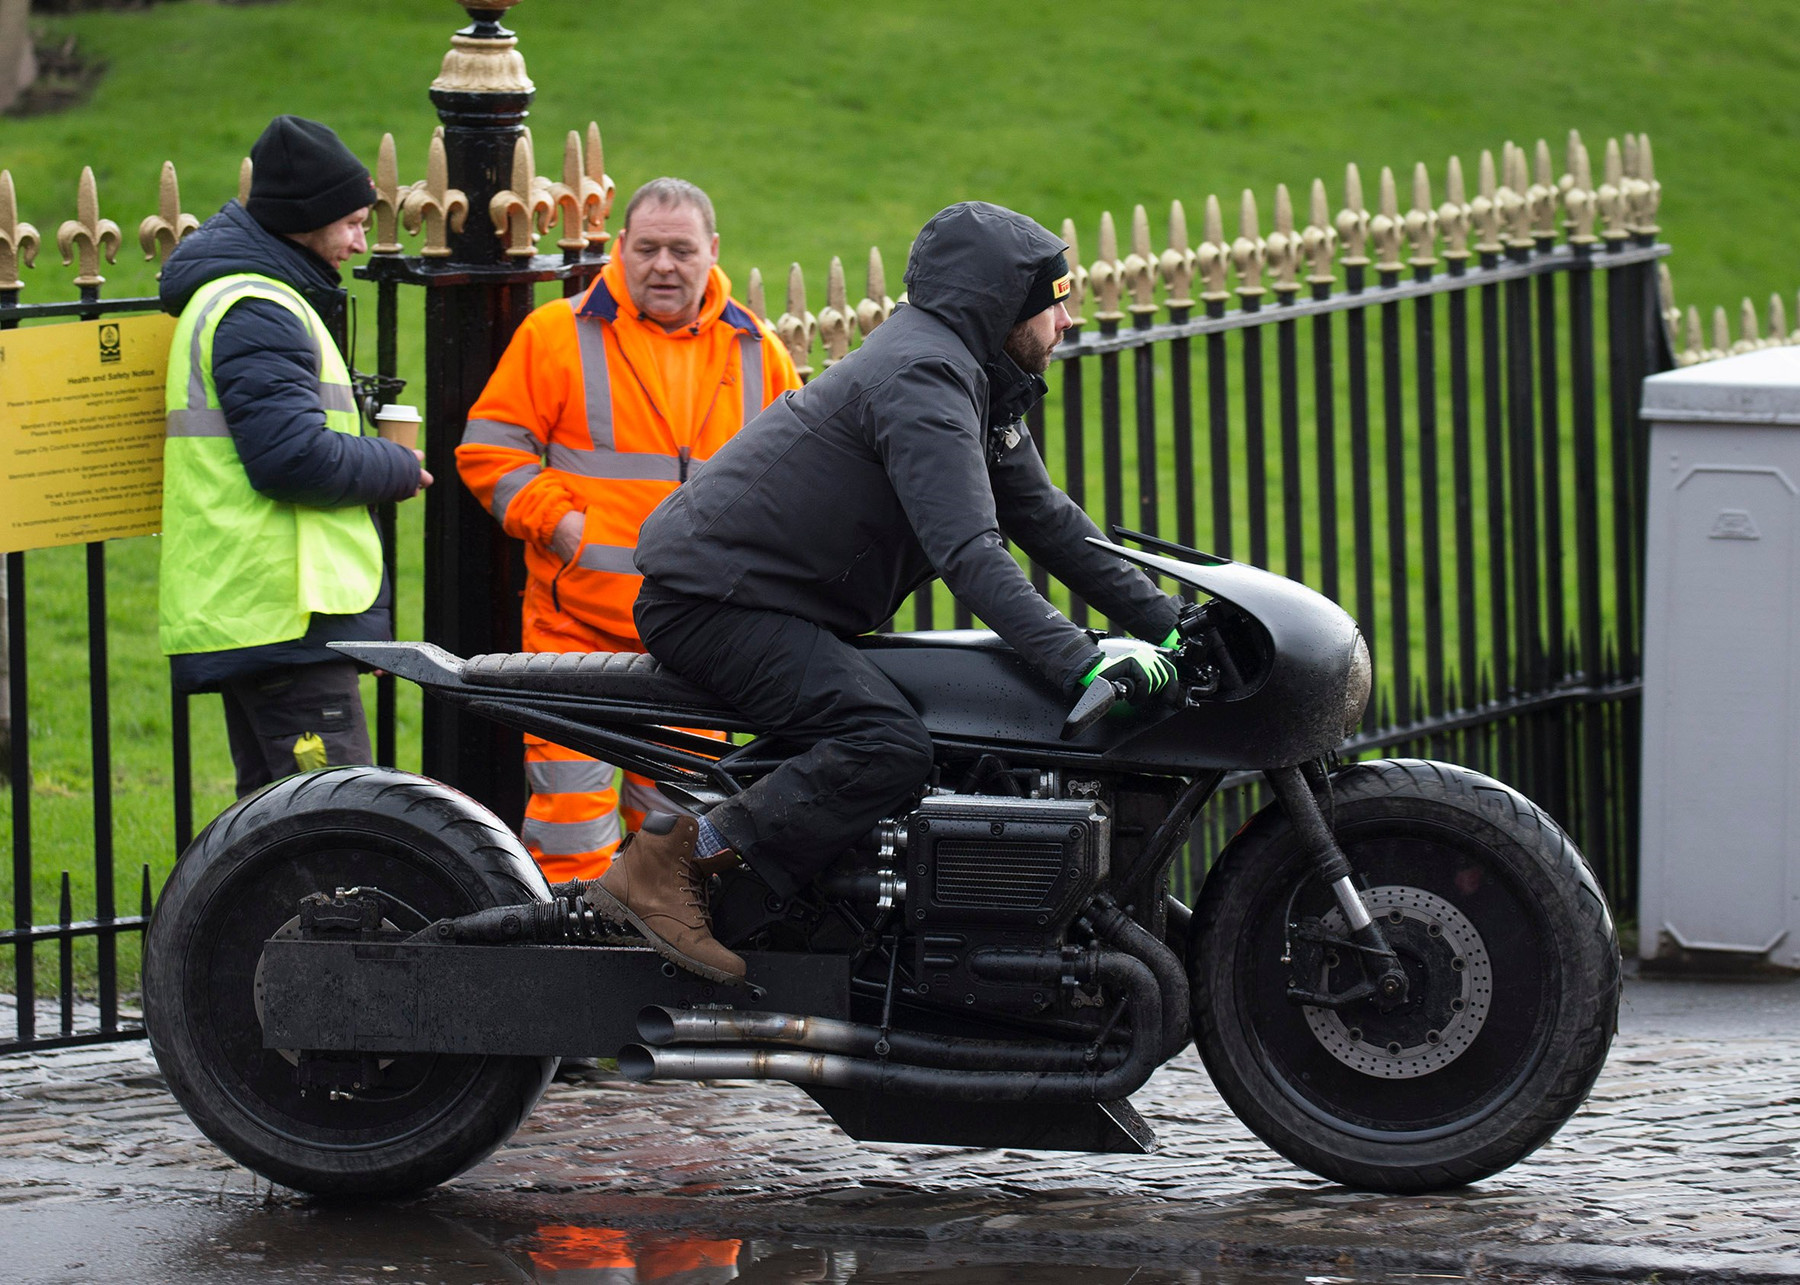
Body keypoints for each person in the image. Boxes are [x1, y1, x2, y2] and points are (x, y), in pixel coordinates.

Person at [601, 201, 1183, 983]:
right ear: (1002, 307)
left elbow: (1047, 521)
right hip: (715, 604)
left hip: (767, 599)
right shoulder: (926, 377)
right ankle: (669, 863)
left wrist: (1174, 622)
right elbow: (970, 553)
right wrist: (1081, 662)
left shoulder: (970, 375)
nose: (1068, 322)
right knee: (887, 743)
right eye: (1055, 304)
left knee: (929, 732)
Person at [456, 178, 800, 883]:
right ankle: (568, 956)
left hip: (699, 642)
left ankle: (650, 965)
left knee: (680, 842)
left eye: (680, 249)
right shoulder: (555, 333)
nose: (663, 266)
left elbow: (799, 483)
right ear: (620, 248)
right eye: (647, 248)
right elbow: (490, 449)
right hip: (573, 635)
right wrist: (561, 525)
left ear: (713, 251)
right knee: (570, 825)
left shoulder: (760, 352)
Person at [158, 115, 428, 799]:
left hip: (264, 613)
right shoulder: (259, 306)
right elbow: (291, 458)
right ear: (309, 217)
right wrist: (397, 467)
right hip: (285, 615)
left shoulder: (247, 294)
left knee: (270, 841)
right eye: (353, 223)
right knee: (336, 832)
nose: (360, 242)